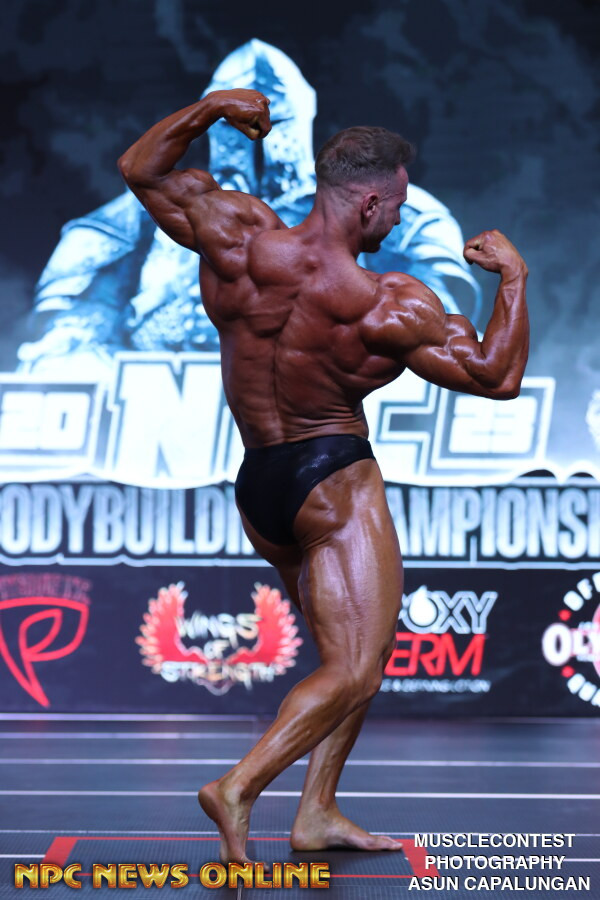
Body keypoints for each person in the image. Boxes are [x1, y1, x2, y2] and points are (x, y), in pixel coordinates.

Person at [118, 88, 529, 864]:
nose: (398, 221)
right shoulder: (385, 302)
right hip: (331, 477)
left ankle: (317, 813)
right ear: (369, 202)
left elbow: (141, 168)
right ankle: (238, 786)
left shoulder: (237, 238)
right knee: (358, 666)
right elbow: (496, 376)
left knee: (348, 660)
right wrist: (513, 278)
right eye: (396, 207)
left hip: (260, 485)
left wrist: (210, 109)